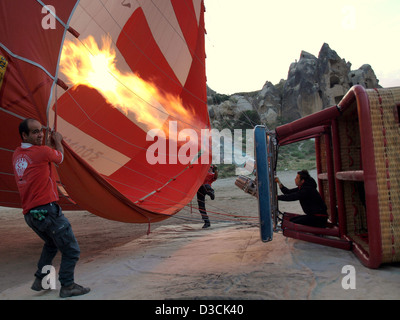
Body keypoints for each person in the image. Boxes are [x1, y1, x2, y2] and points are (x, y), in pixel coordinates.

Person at [12, 118, 90, 298]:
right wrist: (59, 141)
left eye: (40, 130)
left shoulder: (17, 153)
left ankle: (41, 279)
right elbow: (59, 158)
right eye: (34, 132)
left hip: (31, 215)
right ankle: (68, 286)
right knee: (71, 250)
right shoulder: (43, 152)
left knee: (51, 244)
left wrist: (47, 145)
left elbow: (41, 155)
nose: (40, 134)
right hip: (47, 211)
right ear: (24, 135)